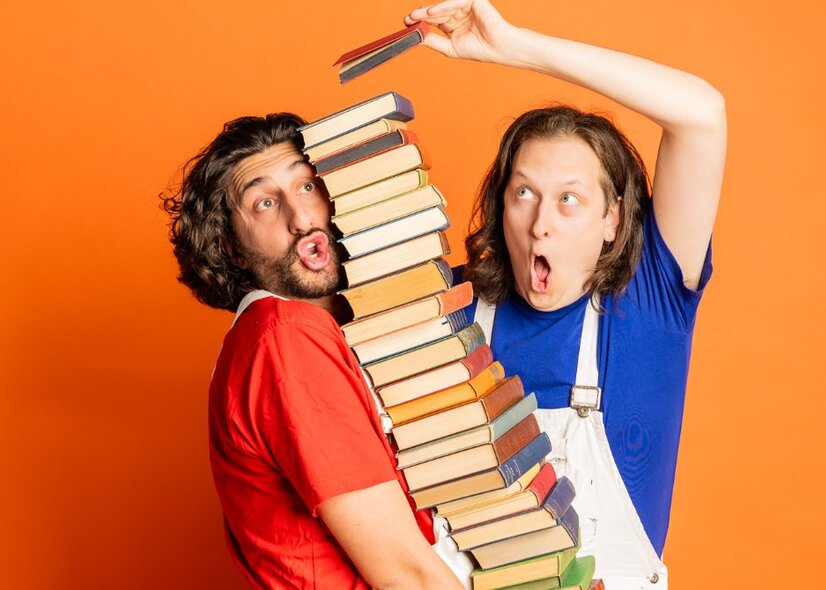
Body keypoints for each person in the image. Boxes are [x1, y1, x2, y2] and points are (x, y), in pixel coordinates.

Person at [405, 1, 726, 587]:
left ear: (613, 218)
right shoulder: (449, 307)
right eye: (524, 193)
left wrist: (515, 48)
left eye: (569, 198)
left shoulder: (650, 300)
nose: (541, 223)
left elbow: (702, 114)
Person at [162, 113, 463, 589]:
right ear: (233, 249)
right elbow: (409, 575)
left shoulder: (311, 333)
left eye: (307, 187)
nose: (301, 218)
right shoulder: (283, 337)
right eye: (264, 203)